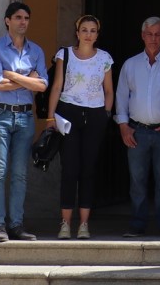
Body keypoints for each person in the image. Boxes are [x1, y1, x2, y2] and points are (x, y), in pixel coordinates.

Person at [115, 17, 160, 238]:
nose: (153, 38)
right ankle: (137, 225)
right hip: (136, 131)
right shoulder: (130, 64)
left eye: (158, 34)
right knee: (137, 182)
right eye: (149, 34)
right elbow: (121, 97)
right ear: (142, 36)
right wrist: (123, 127)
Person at [0, 1, 48, 242]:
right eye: (19, 17)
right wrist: (25, 79)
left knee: (20, 173)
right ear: (7, 21)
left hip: (24, 115)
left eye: (27, 18)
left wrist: (10, 74)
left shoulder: (36, 51)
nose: (23, 22)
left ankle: (17, 225)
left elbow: (42, 85)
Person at [47, 15, 114, 240]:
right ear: (77, 32)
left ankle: (84, 224)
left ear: (97, 34)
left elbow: (109, 90)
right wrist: (50, 117)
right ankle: (65, 223)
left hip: (94, 114)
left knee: (88, 169)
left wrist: (105, 113)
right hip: (68, 112)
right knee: (70, 168)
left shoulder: (104, 58)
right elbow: (56, 86)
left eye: (93, 30)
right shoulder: (64, 54)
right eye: (84, 30)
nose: (88, 34)